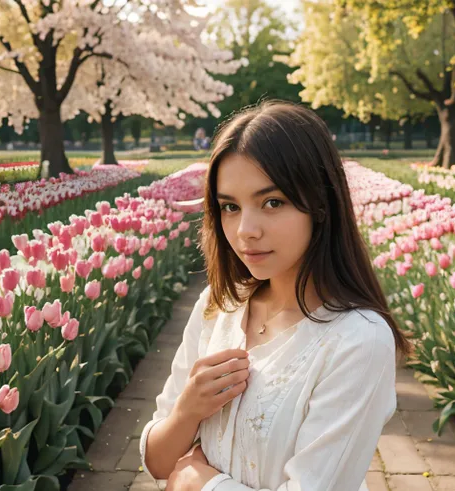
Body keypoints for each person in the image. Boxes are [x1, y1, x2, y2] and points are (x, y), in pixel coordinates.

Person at [139, 100, 410, 491]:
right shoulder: (219, 308)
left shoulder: (357, 340)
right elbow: (157, 462)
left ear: (320, 204)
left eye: (272, 202)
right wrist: (186, 413)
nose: (246, 230)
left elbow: (177, 474)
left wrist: (196, 483)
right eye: (230, 206)